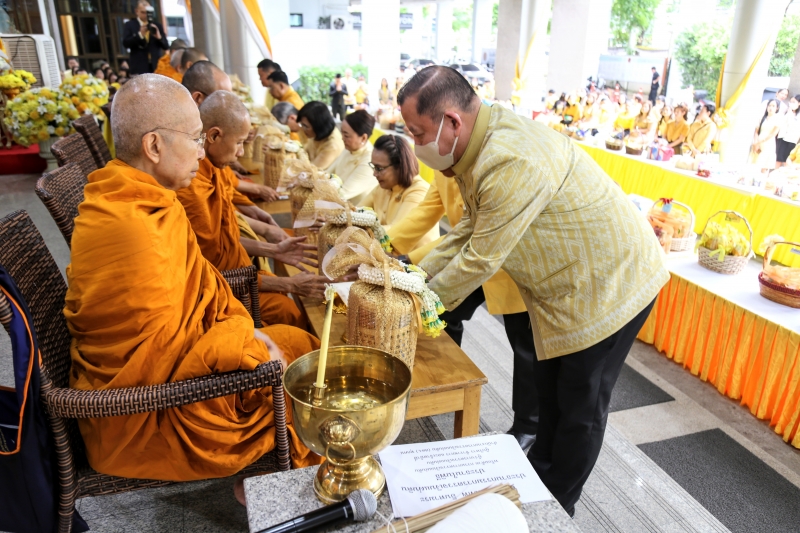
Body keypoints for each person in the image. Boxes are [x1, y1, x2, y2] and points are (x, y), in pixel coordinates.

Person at [396, 66, 668, 517]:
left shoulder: (508, 158)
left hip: (611, 286)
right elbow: (468, 230)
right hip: (564, 287)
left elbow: (480, 258)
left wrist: (413, 307)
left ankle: (558, 508)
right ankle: (539, 474)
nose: (414, 142)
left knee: (580, 404)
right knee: (549, 392)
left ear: (452, 122)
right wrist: (412, 281)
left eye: (417, 131)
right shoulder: (477, 145)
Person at [65, 74, 322, 493]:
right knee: (303, 363)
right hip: (148, 412)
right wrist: (243, 344)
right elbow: (171, 354)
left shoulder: (130, 196)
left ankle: (274, 471)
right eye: (197, 138)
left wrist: (239, 333)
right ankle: (275, 485)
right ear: (154, 146)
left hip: (170, 370)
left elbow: (195, 292)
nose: (202, 152)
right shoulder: (135, 226)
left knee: (296, 343)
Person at [387, 171, 538, 450]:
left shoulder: (488, 166)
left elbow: (481, 234)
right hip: (468, 255)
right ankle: (446, 380)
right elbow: (428, 214)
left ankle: (529, 425)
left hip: (506, 261)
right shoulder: (443, 166)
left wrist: (412, 263)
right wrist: (390, 243)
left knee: (526, 346)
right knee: (443, 313)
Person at [176, 89, 328, 328]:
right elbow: (209, 275)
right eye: (238, 143)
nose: (241, 153)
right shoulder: (191, 185)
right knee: (288, 311)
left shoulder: (210, 166)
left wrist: (274, 249)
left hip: (238, 272)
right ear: (214, 136)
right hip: (220, 291)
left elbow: (224, 236)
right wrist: (287, 285)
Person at [182, 60, 279, 204]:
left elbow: (221, 185)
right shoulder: (183, 144)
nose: (229, 103)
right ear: (198, 99)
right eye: (220, 96)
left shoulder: (204, 136)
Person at [360, 135, 437, 246]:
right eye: (373, 166)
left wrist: (356, 231)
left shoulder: (419, 192)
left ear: (400, 166)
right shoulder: (385, 186)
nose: (374, 173)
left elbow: (394, 232)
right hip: (386, 253)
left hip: (414, 261)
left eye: (379, 168)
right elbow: (357, 211)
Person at [328, 110, 377, 205]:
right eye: (342, 133)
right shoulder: (349, 148)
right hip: (336, 202)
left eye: (346, 135)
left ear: (363, 138)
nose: (342, 138)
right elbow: (327, 173)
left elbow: (342, 194)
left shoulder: (369, 161)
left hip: (355, 211)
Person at [122, 1, 168, 75]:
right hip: (139, 66)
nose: (146, 15)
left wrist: (159, 37)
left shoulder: (157, 26)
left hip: (155, 66)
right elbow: (125, 43)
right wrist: (140, 35)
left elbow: (166, 46)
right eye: (143, 12)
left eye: (148, 12)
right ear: (137, 11)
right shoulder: (130, 25)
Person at [297, 101, 344, 170]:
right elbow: (304, 152)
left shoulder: (332, 145)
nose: (303, 129)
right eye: (302, 125)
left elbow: (311, 171)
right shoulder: (316, 134)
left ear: (317, 126)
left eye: (306, 126)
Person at [750, 99, 781, 172]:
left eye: (773, 106)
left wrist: (761, 141)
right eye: (769, 105)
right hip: (758, 141)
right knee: (754, 163)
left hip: (768, 143)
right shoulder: (762, 117)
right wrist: (756, 142)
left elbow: (773, 133)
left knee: (764, 164)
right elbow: (756, 131)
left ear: (777, 108)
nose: (771, 108)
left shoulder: (778, 118)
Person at [776, 95, 800, 167]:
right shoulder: (787, 111)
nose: (791, 103)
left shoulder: (797, 115)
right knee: (778, 159)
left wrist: (790, 115)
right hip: (782, 137)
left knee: (787, 160)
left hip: (792, 140)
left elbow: (794, 126)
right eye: (790, 101)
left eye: (793, 102)